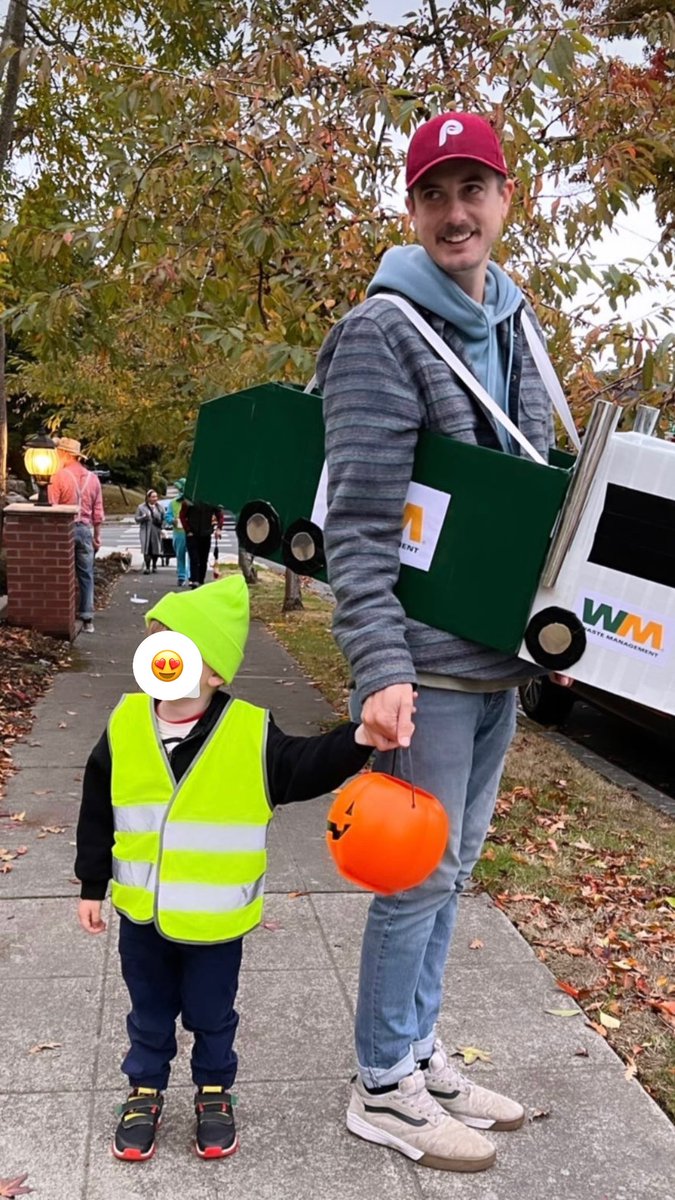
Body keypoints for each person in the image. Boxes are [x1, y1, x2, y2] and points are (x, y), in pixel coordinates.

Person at [317, 112, 569, 1174]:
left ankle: (418, 1051)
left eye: (476, 189)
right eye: (435, 193)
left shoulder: (517, 326)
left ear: (508, 199)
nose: (457, 212)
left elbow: (535, 501)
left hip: (496, 662)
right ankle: (383, 1087)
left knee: (454, 870)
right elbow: (362, 527)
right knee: (413, 879)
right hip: (425, 668)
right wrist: (381, 670)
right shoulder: (382, 332)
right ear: (412, 210)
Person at [74, 575, 375, 1162]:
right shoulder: (125, 724)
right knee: (149, 1010)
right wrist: (92, 882)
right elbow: (97, 806)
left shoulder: (250, 734)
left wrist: (359, 737)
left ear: (214, 671)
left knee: (212, 1014)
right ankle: (144, 1090)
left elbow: (306, 766)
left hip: (216, 924)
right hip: (143, 914)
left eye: (179, 645)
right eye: (158, 642)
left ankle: (214, 1090)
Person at [48, 436, 105, 634]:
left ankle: (64, 612)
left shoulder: (59, 476)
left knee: (63, 572)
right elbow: (98, 512)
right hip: (85, 530)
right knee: (86, 574)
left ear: (64, 454)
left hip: (65, 529)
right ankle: (87, 618)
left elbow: (52, 506)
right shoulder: (93, 478)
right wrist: (97, 536)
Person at [180, 498, 224, 588]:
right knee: (194, 558)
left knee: (203, 559)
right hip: (192, 533)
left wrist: (219, 528)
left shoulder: (211, 500)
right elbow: (182, 516)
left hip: (206, 533)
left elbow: (220, 515)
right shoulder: (189, 500)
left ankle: (200, 581)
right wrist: (188, 530)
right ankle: (194, 580)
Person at [135, 489, 164, 574]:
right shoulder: (141, 507)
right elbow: (136, 519)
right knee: (146, 548)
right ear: (148, 498)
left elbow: (164, 518)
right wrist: (144, 517)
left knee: (155, 548)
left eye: (156, 496)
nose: (155, 498)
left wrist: (162, 527)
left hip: (156, 530)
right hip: (145, 530)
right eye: (153, 497)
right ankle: (147, 567)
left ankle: (154, 565)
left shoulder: (160, 507)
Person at [166, 478, 188, 586]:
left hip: (190, 532)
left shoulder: (191, 502)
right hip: (179, 532)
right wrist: (172, 521)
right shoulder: (173, 503)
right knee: (180, 555)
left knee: (192, 555)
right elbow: (168, 516)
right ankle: (181, 576)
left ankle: (189, 575)